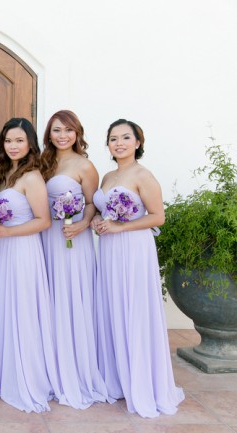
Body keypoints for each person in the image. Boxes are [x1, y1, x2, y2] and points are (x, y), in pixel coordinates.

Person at [91, 119, 184, 417]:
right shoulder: (108, 176)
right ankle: (118, 378)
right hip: (109, 250)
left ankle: (142, 382)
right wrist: (97, 222)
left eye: (125, 137)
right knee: (113, 307)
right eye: (113, 138)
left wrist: (120, 227)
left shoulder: (144, 175)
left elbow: (158, 217)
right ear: (108, 144)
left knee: (134, 309)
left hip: (133, 249)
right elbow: (102, 211)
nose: (119, 143)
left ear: (138, 142)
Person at [38, 110, 108, 408]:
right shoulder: (42, 163)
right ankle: (48, 367)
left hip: (72, 241)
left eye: (68, 130)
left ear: (77, 133)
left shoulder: (84, 166)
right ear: (49, 134)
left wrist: (82, 224)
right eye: (56, 130)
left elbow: (92, 203)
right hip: (45, 238)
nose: (62, 136)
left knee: (69, 299)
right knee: (48, 300)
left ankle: (75, 368)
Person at [0, 118, 59, 413]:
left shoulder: (32, 177)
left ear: (30, 143)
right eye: (8, 141)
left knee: (23, 310)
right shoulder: (6, 173)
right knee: (7, 308)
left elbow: (43, 221)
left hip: (23, 250)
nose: (13, 146)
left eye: (19, 140)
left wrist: (8, 232)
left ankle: (27, 376)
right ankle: (7, 371)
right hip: (5, 251)